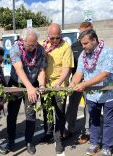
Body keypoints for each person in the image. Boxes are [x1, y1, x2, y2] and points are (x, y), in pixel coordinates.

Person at [69, 29, 113, 156]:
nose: (83, 46)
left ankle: (107, 146)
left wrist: (84, 84)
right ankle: (95, 143)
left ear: (94, 40)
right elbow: (79, 72)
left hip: (108, 94)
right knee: (93, 120)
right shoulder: (83, 55)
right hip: (91, 95)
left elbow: (104, 74)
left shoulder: (108, 52)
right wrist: (72, 85)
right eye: (82, 44)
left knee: (108, 121)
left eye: (85, 43)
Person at [6, 28, 46, 155]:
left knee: (31, 114)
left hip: (33, 84)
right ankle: (11, 140)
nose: (33, 47)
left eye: (34, 44)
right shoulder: (15, 48)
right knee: (12, 114)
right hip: (16, 84)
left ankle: (29, 141)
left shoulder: (40, 49)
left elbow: (41, 69)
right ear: (23, 41)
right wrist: (29, 87)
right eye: (30, 44)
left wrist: (42, 84)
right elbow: (19, 69)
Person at [40, 23, 74, 154]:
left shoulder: (66, 47)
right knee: (47, 110)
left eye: (57, 37)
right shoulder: (44, 45)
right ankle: (48, 133)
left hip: (60, 85)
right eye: (52, 38)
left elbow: (67, 68)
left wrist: (59, 82)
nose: (54, 40)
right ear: (48, 36)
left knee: (59, 112)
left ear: (61, 35)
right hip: (45, 84)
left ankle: (58, 138)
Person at [64, 22, 93, 144]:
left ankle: (87, 132)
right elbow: (70, 67)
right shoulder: (74, 46)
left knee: (89, 107)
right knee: (72, 106)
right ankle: (68, 129)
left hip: (91, 81)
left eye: (86, 31)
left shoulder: (97, 46)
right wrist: (70, 82)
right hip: (76, 81)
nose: (83, 34)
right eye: (81, 32)